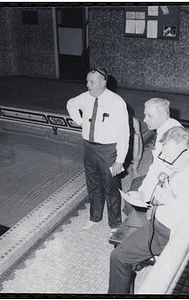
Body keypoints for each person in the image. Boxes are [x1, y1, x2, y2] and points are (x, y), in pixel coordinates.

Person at [108, 126, 189, 294]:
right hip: (156, 225)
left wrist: (172, 202)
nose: (166, 162)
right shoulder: (177, 164)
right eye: (164, 157)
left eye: (169, 159)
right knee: (118, 257)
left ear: (187, 153)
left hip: (174, 236)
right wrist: (144, 194)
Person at [66, 68, 130, 232]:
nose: (88, 85)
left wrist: (120, 160)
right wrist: (81, 122)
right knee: (93, 185)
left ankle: (115, 223)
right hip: (89, 147)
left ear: (103, 82)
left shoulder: (116, 102)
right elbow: (70, 104)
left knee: (111, 188)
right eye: (87, 81)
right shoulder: (86, 98)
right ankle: (95, 217)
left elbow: (124, 133)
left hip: (108, 150)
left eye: (92, 82)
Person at [123, 98, 182, 220]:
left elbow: (161, 172)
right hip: (165, 176)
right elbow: (157, 166)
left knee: (135, 188)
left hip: (171, 183)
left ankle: (139, 224)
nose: (144, 120)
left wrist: (144, 194)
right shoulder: (168, 126)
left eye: (150, 116)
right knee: (137, 183)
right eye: (145, 115)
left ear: (163, 115)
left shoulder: (171, 136)